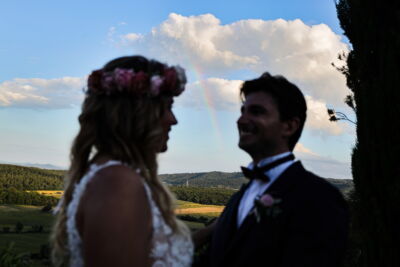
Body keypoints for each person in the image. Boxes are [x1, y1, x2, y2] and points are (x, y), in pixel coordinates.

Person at [50, 56, 193, 267]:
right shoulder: (118, 184)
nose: (173, 120)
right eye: (167, 107)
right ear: (139, 113)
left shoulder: (108, 175)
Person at [204, 73, 349, 266]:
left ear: (289, 126)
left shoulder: (320, 197)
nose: (241, 120)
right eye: (242, 111)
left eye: (256, 112)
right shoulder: (238, 199)